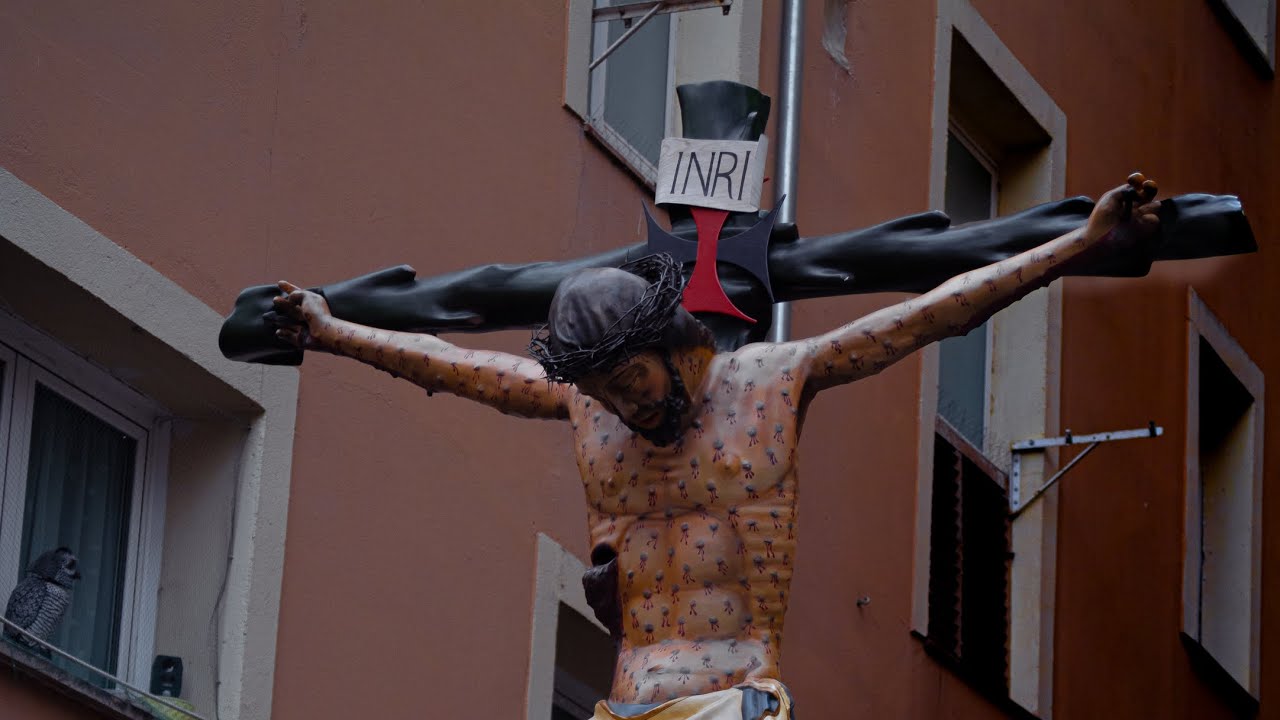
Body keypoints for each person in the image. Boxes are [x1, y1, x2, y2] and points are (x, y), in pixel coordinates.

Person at [269, 175, 1160, 719]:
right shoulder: (588, 413)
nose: (626, 406)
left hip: (735, 696)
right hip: (625, 705)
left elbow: (929, 313)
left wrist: (1075, 246)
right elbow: (455, 366)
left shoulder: (774, 382)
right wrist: (332, 332)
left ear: (672, 347)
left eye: (636, 383)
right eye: (606, 391)